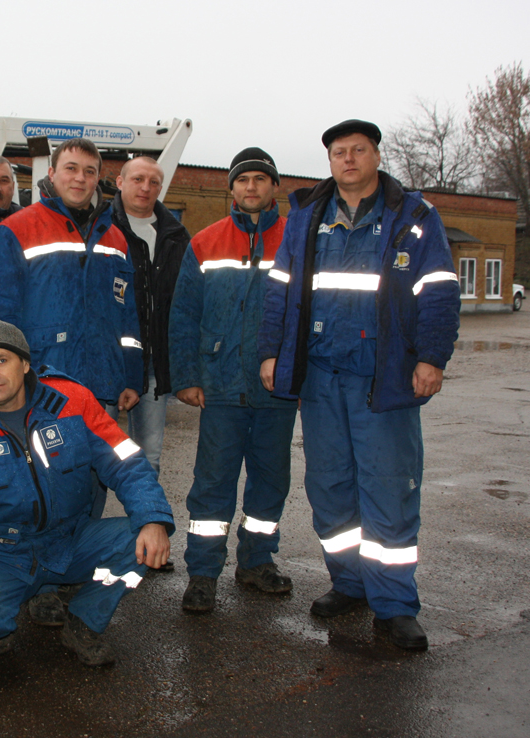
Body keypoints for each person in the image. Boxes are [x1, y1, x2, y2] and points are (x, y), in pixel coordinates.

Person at [258, 120, 460, 650]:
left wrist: (432, 357)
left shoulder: (413, 217)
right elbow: (280, 290)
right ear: (330, 162)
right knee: (329, 486)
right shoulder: (305, 217)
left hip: (384, 377)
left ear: (376, 157)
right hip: (321, 376)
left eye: (359, 151)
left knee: (388, 487)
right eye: (339, 153)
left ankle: (393, 605)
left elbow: (438, 290)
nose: (348, 160)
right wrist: (272, 353)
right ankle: (349, 584)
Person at [0, 318, 174, 667]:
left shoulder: (72, 400)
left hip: (68, 540)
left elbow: (125, 461)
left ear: (24, 363)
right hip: (0, 551)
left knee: (139, 540)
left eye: (1, 360)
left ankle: (83, 621)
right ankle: (13, 602)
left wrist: (153, 517)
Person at [170, 148, 297, 612]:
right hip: (220, 384)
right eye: (243, 180)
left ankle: (257, 562)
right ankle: (203, 574)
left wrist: (297, 373)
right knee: (213, 482)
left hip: (276, 388)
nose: (251, 187)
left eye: (261, 179)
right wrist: (186, 376)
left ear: (274, 187)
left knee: (270, 480)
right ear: (231, 188)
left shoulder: (295, 241)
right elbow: (184, 313)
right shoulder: (205, 242)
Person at [0, 138, 143, 418]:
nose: (80, 178)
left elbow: (128, 318)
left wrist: (131, 378)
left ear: (98, 179)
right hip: (40, 388)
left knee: (100, 462)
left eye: (89, 171)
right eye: (71, 168)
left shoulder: (115, 239)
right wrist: (9, 383)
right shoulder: (14, 232)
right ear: (52, 174)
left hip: (102, 388)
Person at [112, 156, 191, 478]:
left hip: (153, 366)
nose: (146, 188)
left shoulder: (177, 237)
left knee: (149, 459)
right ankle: (92, 529)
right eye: (138, 179)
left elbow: (185, 304)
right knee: (93, 457)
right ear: (120, 182)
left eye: (154, 182)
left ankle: (144, 526)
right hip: (108, 363)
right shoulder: (102, 228)